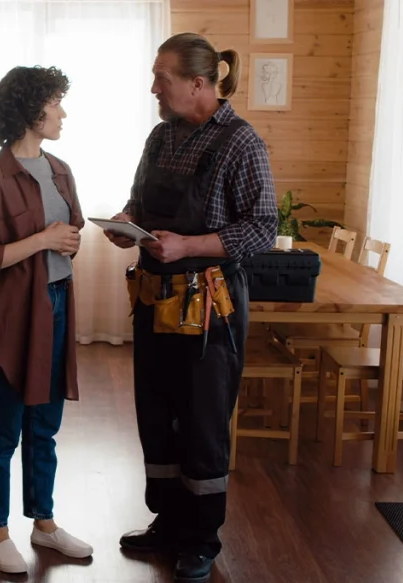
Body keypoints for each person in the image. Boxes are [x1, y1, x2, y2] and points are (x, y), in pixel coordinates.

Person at [105, 33, 277, 582]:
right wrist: (125, 226)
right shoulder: (160, 137)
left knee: (203, 423)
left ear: (199, 84)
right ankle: (170, 523)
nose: (154, 87)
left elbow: (262, 228)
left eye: (163, 78)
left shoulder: (241, 142)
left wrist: (187, 245)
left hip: (212, 307)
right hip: (155, 299)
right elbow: (138, 197)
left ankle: (201, 538)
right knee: (156, 415)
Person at [0, 65, 93, 574]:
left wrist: (65, 240)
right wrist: (43, 240)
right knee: (3, 431)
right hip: (15, 316)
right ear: (29, 109)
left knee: (47, 424)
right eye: (56, 102)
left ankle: (44, 523)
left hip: (58, 303)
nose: (62, 112)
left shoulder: (60, 169)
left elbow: (72, 229)